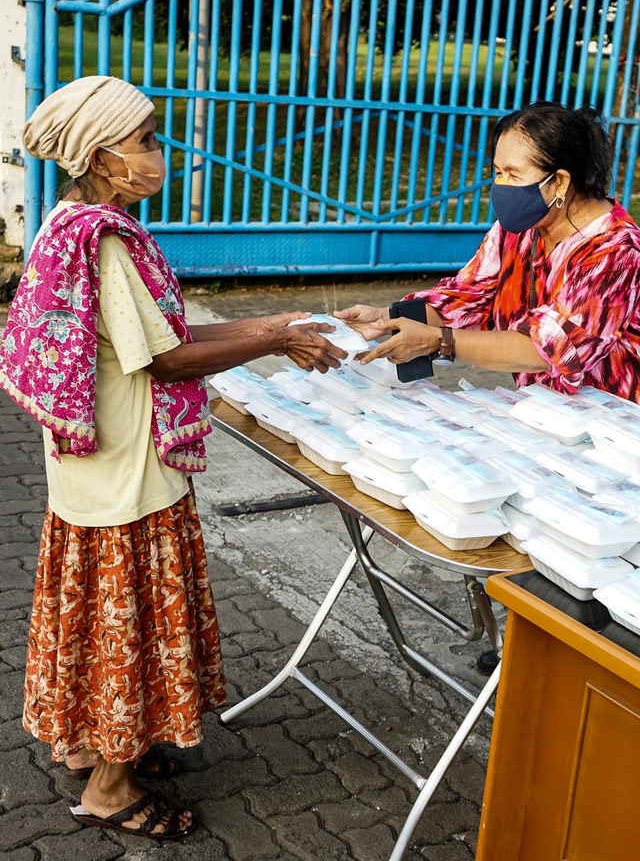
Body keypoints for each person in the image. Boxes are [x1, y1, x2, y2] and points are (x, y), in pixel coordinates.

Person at [0, 76, 346, 841]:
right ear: (102, 156)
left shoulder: (69, 222)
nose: (162, 153)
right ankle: (111, 788)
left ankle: (95, 741)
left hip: (90, 468)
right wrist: (278, 340)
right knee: (126, 627)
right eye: (148, 141)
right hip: (128, 476)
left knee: (92, 620)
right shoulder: (111, 242)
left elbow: (166, 335)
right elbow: (170, 361)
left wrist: (283, 320)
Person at [336, 102, 640, 401]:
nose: (501, 185)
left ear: (559, 182)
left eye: (513, 174)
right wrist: (387, 318)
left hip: (614, 425)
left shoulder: (616, 251)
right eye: (497, 172)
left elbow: (544, 349)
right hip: (548, 415)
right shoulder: (519, 229)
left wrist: (440, 342)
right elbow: (466, 296)